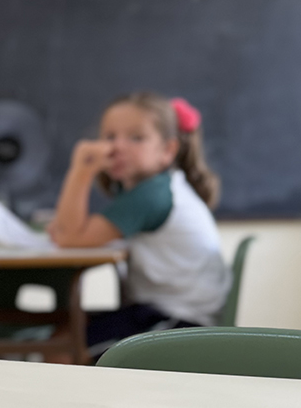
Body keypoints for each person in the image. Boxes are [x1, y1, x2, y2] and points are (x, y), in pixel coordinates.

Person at [48, 92, 230, 356]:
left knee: (63, 348)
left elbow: (68, 237)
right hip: (165, 311)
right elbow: (68, 232)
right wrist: (67, 228)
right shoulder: (148, 189)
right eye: (109, 137)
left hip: (179, 323)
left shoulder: (151, 196)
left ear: (167, 150)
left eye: (136, 138)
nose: (117, 147)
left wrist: (82, 169)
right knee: (64, 334)